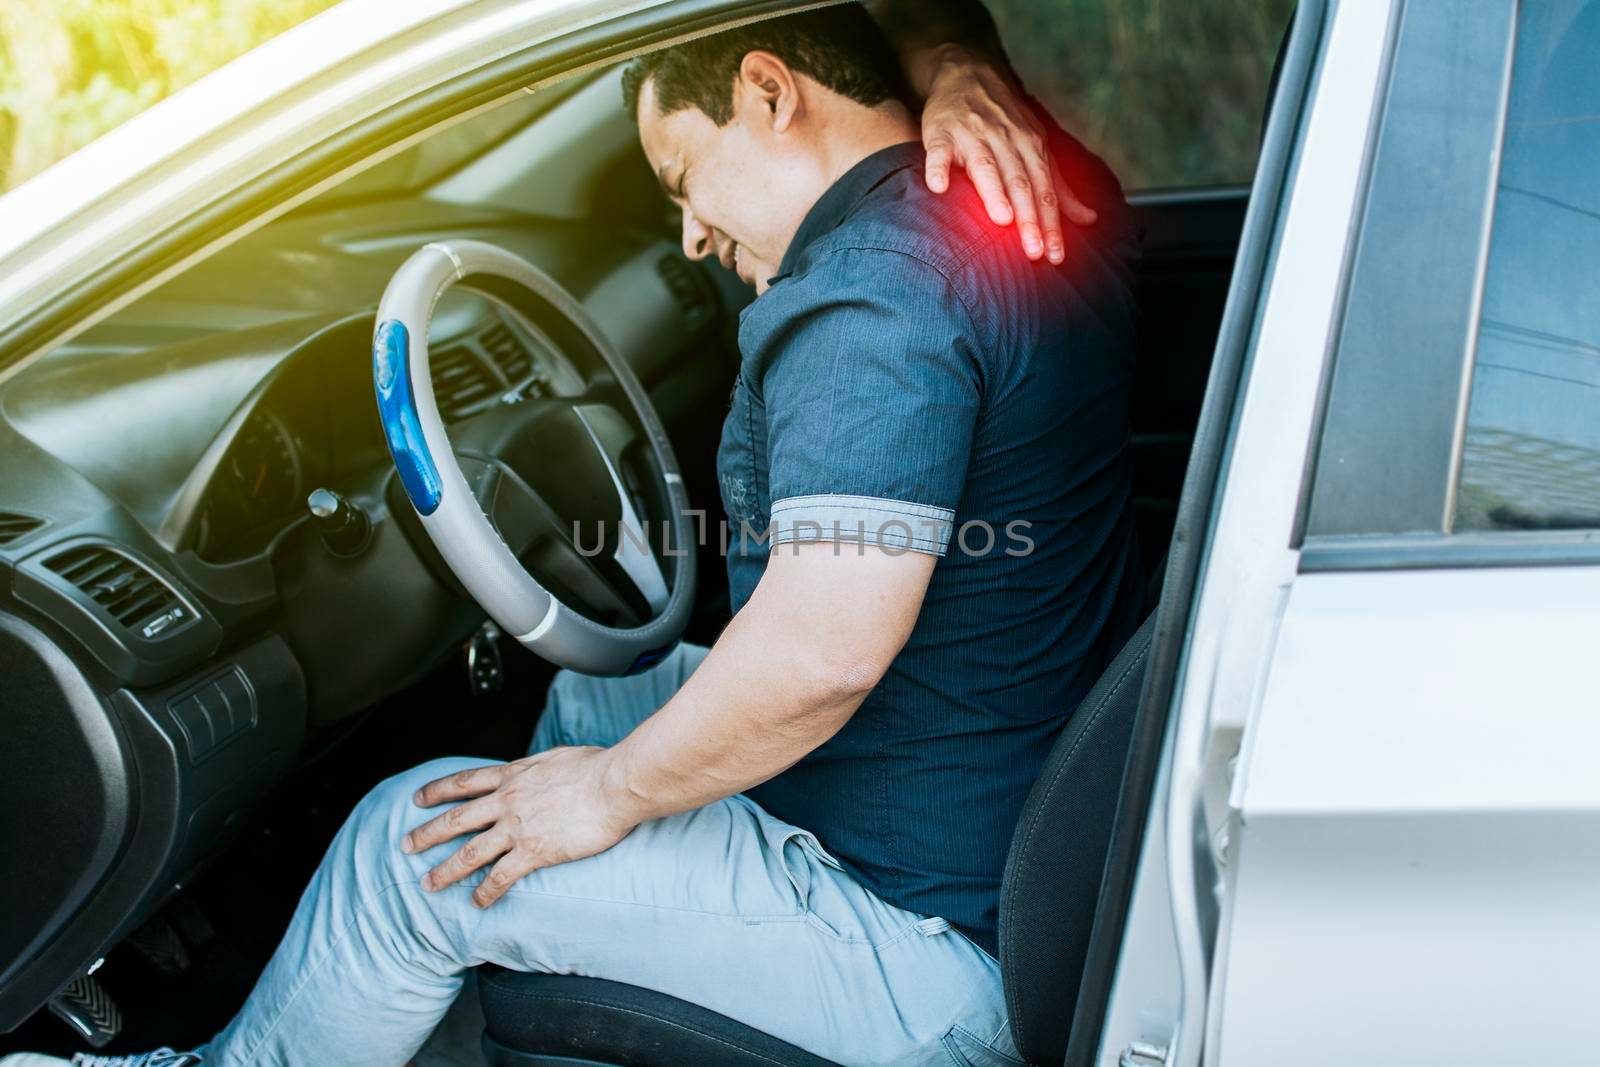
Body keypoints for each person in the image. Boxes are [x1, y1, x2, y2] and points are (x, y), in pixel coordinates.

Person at [3, 3, 1142, 1065]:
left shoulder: (869, 302)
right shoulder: (1017, 186)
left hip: (924, 942)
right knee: (586, 699)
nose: (691, 238)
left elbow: (819, 654)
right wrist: (956, 62)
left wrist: (599, 799)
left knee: (410, 853)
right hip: (1005, 823)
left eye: (683, 177)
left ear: (767, 89)